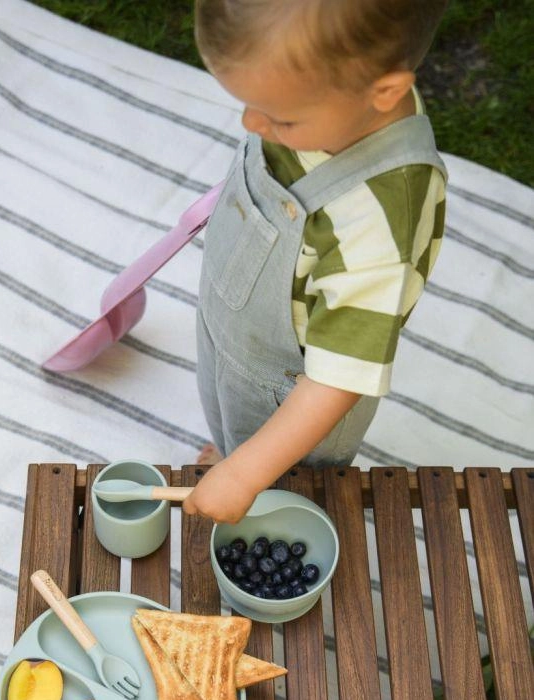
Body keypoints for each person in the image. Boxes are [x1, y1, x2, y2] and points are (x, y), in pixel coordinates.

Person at [182, 0, 449, 523]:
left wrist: (244, 475)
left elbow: (339, 379)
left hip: (293, 390)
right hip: (233, 324)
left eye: (279, 117)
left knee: (286, 482)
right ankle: (234, 450)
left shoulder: (378, 219)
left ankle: (255, 477)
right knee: (224, 408)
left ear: (385, 92)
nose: (250, 123)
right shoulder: (325, 102)